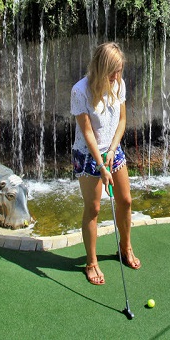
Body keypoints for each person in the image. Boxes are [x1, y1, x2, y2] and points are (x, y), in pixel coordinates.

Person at [70, 42, 140, 286]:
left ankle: (125, 247)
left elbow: (122, 121)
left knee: (126, 200)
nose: (116, 76)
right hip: (88, 155)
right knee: (94, 209)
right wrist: (101, 165)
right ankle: (91, 263)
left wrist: (111, 151)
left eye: (119, 71)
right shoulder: (80, 91)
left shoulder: (118, 84)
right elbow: (87, 132)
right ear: (101, 67)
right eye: (113, 71)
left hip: (112, 149)